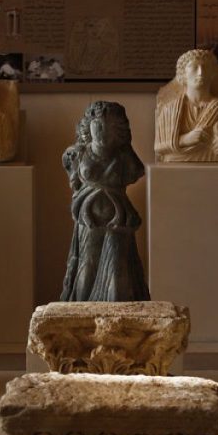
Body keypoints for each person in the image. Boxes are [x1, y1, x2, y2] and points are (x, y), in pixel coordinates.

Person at [60, 101, 150, 302]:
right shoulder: (79, 153)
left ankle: (118, 311)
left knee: (118, 269)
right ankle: (79, 310)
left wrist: (125, 149)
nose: (102, 132)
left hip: (118, 219)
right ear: (89, 125)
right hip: (89, 219)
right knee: (87, 266)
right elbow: (70, 169)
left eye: (110, 128)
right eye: (98, 125)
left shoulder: (123, 156)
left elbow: (137, 171)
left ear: (119, 132)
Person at [155, 49, 218, 163]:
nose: (200, 73)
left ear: (212, 74)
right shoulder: (169, 110)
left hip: (217, 163)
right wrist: (185, 140)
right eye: (194, 68)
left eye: (206, 68)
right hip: (178, 163)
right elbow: (158, 147)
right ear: (183, 74)